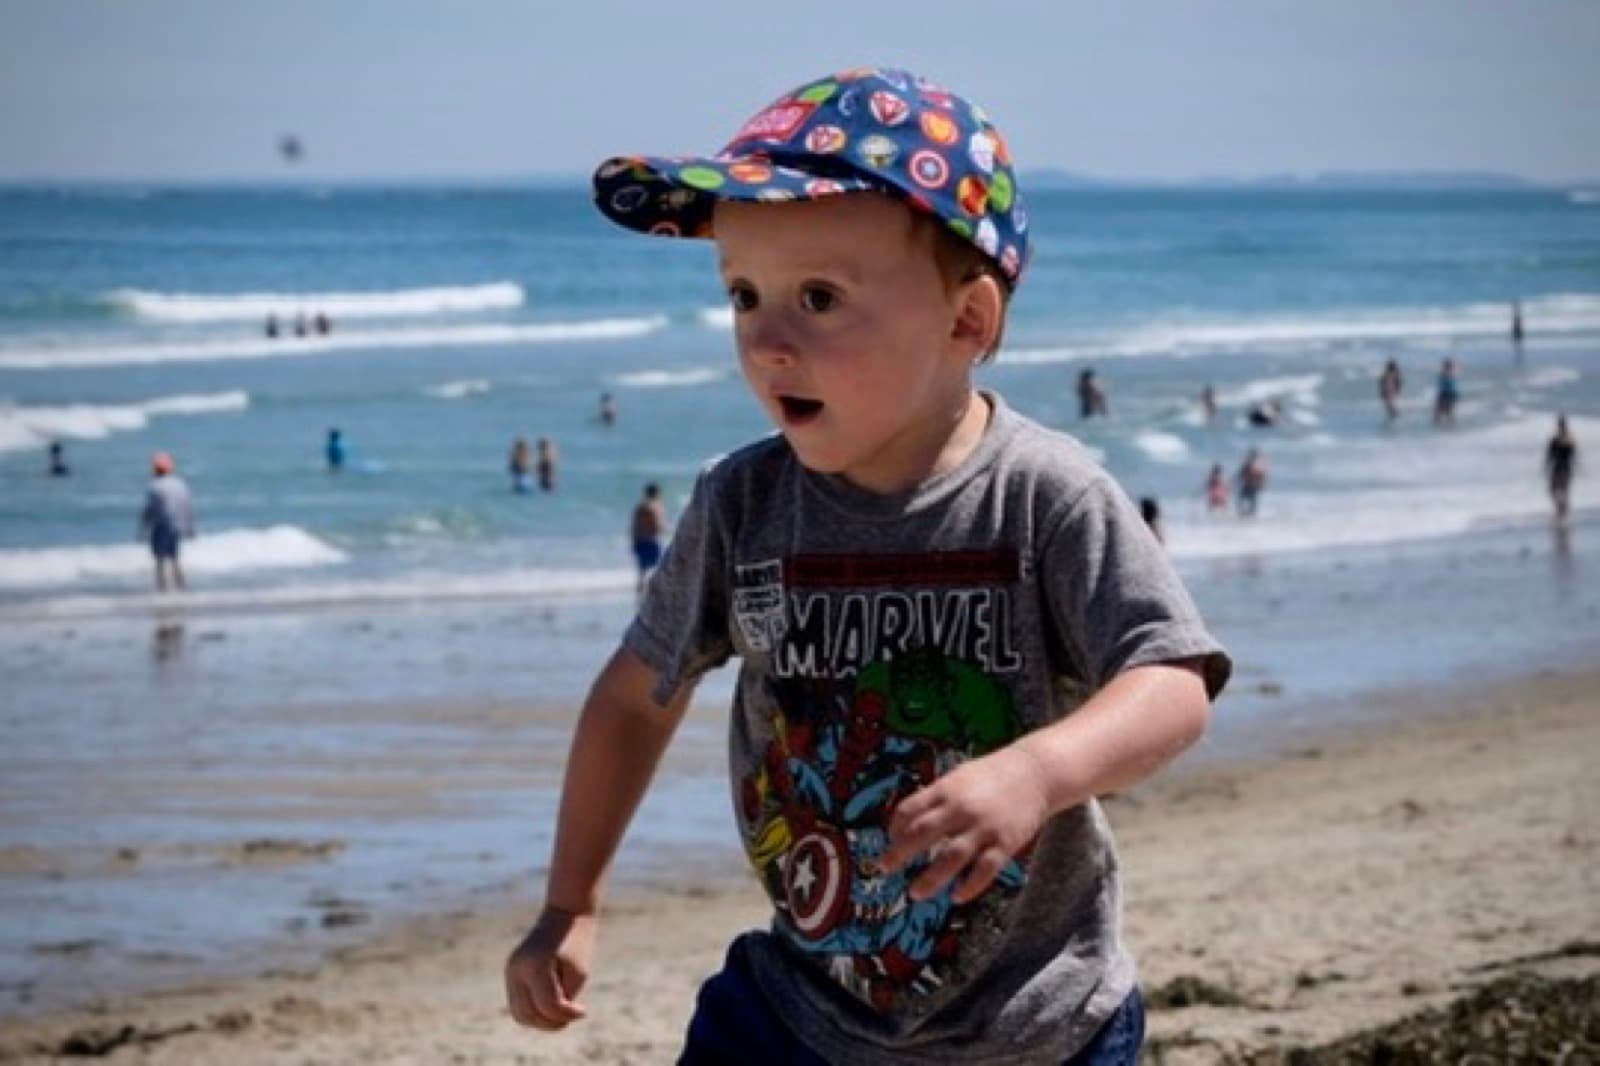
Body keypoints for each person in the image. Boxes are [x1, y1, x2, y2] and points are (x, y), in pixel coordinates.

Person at [505, 67, 1230, 1065]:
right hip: (801, 1008)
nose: (765, 337)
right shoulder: (742, 504)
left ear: (965, 322)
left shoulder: (1041, 496)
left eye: (818, 297)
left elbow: (1173, 681)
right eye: (742, 295)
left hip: (1038, 1021)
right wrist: (568, 900)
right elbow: (635, 700)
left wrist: (1037, 770)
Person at [137, 451, 195, 592]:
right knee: (175, 559)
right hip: (177, 526)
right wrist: (190, 527)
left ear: (156, 469)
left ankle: (162, 590)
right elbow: (187, 507)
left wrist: (143, 528)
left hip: (162, 526)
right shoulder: (180, 485)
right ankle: (182, 588)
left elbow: (150, 510)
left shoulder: (155, 486)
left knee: (160, 561)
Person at [630, 482, 667, 598]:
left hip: (639, 541)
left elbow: (634, 527)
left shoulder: (640, 507)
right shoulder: (655, 507)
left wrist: (634, 542)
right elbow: (657, 527)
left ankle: (639, 598)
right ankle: (657, 597)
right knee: (659, 570)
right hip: (651, 542)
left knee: (642, 572)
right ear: (656, 493)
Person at [1545, 414, 1578, 523]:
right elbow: (1574, 457)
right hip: (1565, 469)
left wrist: (1546, 467)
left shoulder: (1558, 440)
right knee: (1560, 491)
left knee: (1556, 490)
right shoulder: (1568, 440)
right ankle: (1562, 511)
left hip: (1560, 468)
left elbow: (1549, 456)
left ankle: (1561, 512)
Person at [1235, 448, 1267, 516]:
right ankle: (1246, 513)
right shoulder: (1249, 464)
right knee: (1243, 499)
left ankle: (1249, 514)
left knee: (1249, 500)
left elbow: (1261, 476)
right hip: (1248, 485)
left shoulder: (1255, 465)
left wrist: (1262, 484)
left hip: (1252, 486)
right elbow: (1241, 474)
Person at [1433, 357, 1460, 428]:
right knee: (1439, 412)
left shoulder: (1449, 374)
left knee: (1447, 412)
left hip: (1449, 394)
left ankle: (1450, 427)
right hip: (1444, 394)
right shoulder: (1445, 374)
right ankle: (1444, 426)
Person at [1378, 359, 1403, 424]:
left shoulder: (1387, 377)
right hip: (1388, 395)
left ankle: (1393, 422)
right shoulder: (1386, 377)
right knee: (1393, 412)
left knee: (1393, 412)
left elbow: (1398, 386)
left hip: (1389, 395)